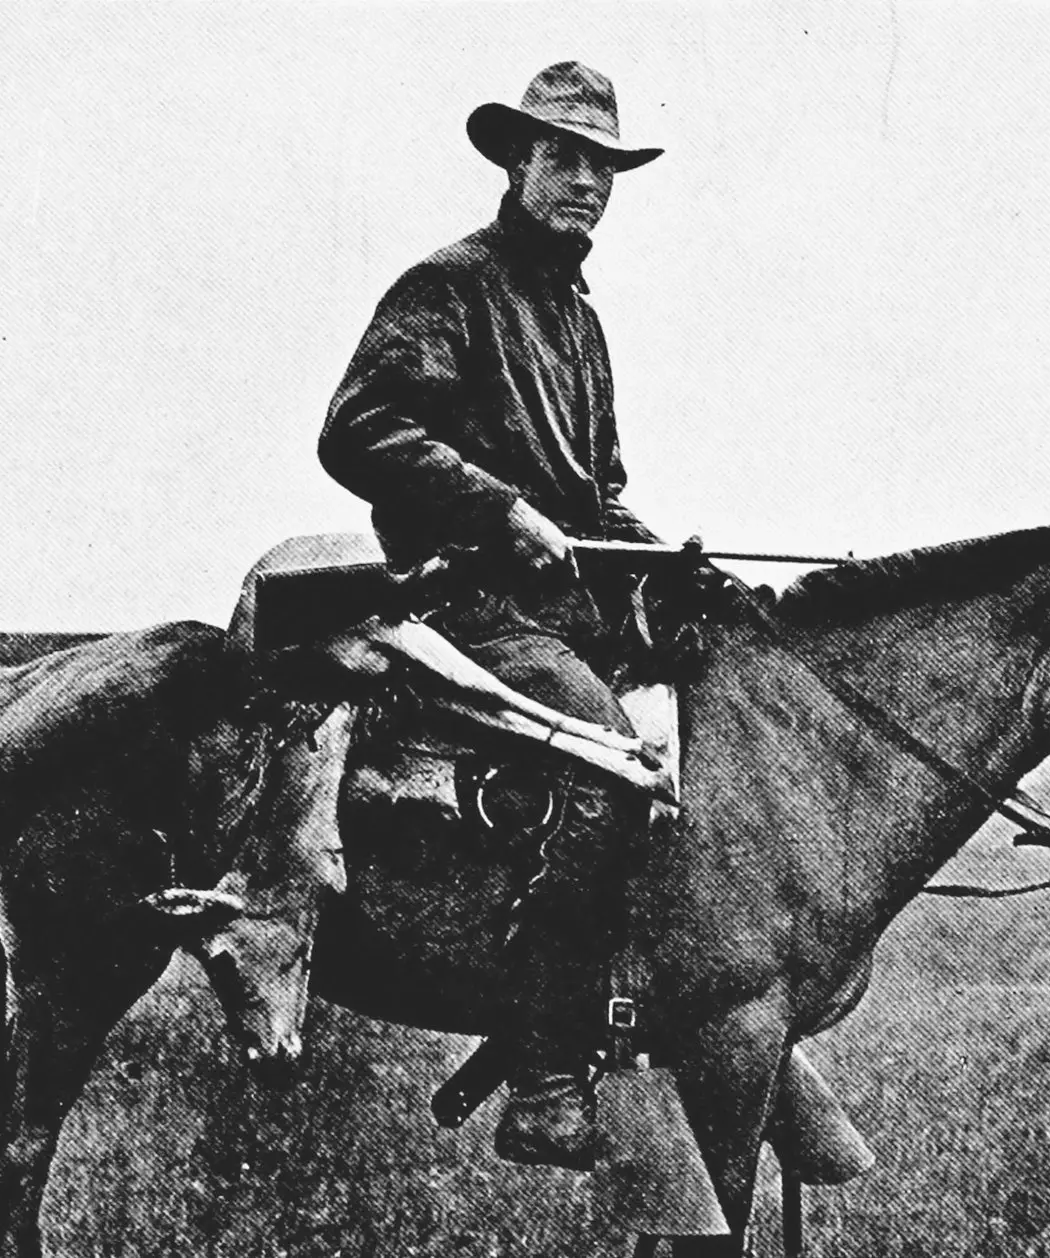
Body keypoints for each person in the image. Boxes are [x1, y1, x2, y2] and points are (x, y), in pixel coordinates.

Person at [319, 61, 664, 1170]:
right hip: (464, 603)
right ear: (516, 163)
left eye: (601, 165)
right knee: (610, 761)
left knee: (733, 702)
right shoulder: (449, 286)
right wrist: (500, 508)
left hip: (563, 604)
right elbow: (358, 429)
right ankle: (546, 1069)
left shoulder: (577, 317)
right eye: (563, 158)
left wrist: (672, 562)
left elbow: (597, 493)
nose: (586, 183)